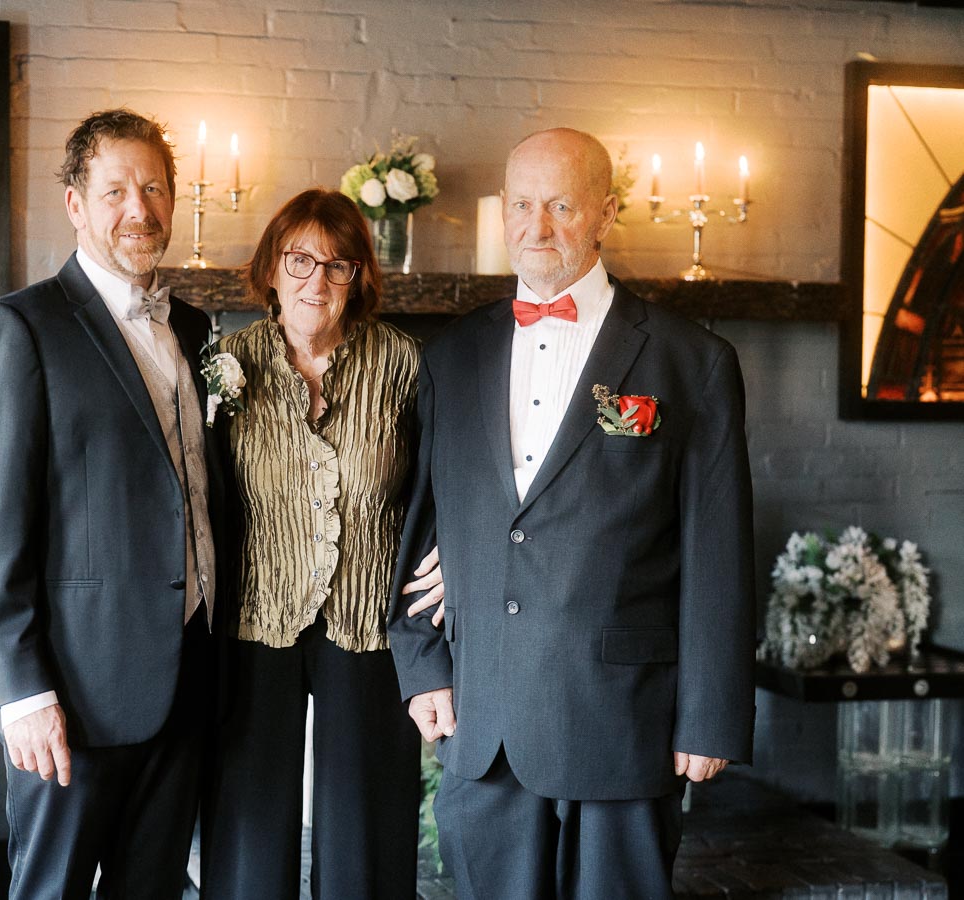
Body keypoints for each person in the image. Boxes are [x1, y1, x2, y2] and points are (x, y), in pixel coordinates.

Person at [388, 127, 755, 899]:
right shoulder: (451, 355)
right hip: (482, 721)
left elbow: (719, 551)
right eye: (522, 205)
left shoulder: (692, 362)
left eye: (561, 205)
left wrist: (711, 716)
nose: (538, 225)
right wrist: (422, 667)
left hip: (622, 723)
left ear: (606, 213)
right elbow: (423, 526)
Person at [0, 108, 221, 900]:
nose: (140, 209)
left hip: (190, 673)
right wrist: (22, 693)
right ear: (75, 204)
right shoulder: (21, 327)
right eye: (115, 191)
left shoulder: (195, 329)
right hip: (72, 693)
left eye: (155, 189)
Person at [200, 188, 426, 899]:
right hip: (255, 617)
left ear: (359, 277)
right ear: (271, 268)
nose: (316, 281)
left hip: (369, 618)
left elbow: (445, 483)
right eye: (299, 260)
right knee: (249, 821)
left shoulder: (404, 364)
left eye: (337, 265)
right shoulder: (226, 363)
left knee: (367, 824)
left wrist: (450, 560)